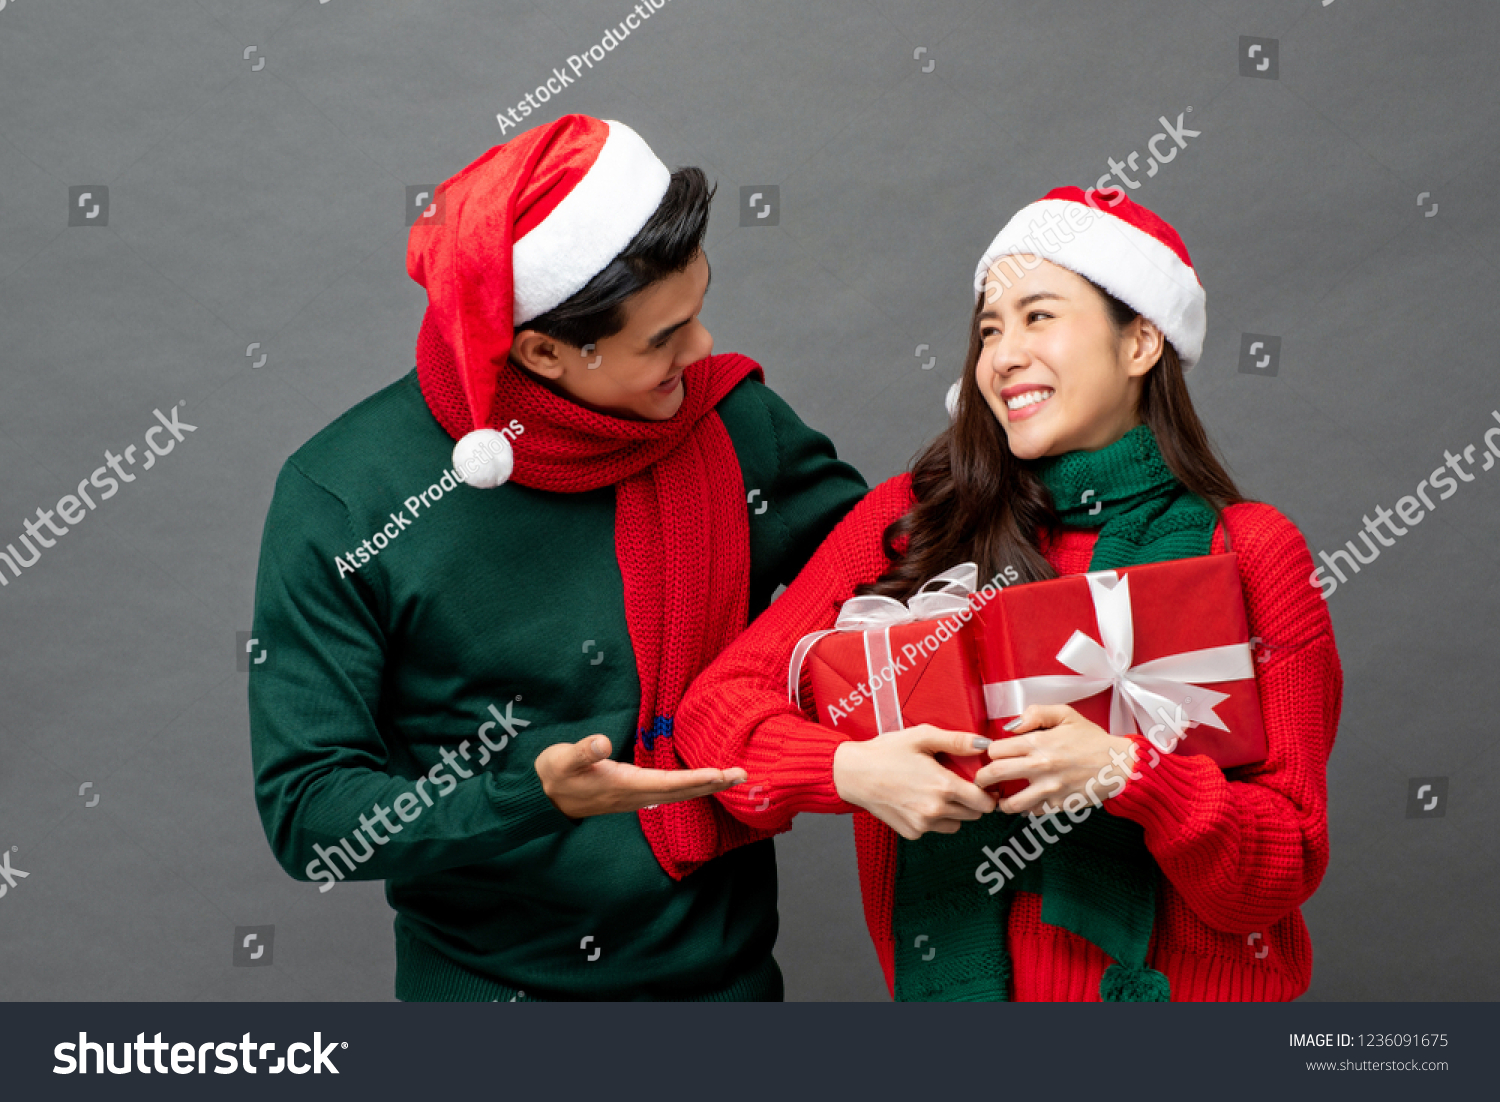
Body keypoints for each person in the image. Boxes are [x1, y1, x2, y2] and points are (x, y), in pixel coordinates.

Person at [248, 115, 867, 1001]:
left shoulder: (731, 426)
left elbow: (894, 585)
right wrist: (526, 794)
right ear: (540, 350)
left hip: (729, 991)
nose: (702, 353)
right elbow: (310, 814)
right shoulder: (343, 496)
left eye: (697, 312)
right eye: (662, 339)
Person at [675, 186, 1343, 1001]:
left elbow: (1278, 872)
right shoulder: (909, 524)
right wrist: (848, 768)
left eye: (1038, 317)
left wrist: (1131, 776)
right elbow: (713, 715)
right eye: (989, 328)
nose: (1002, 354)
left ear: (1140, 342)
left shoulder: (1248, 552)